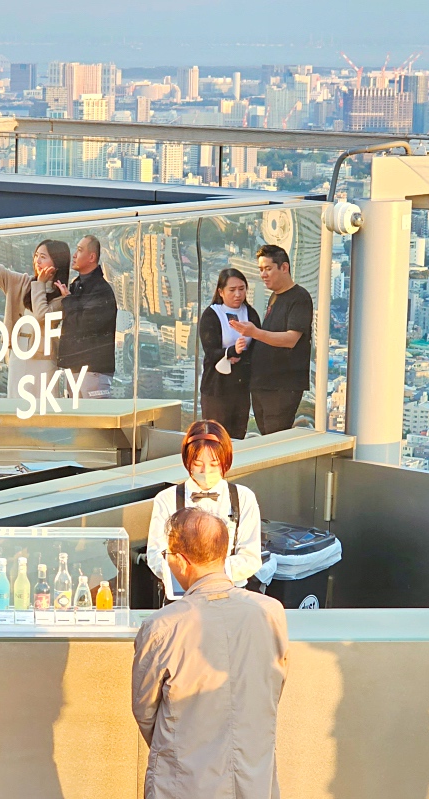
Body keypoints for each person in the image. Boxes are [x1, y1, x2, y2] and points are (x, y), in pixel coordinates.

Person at [133, 507, 289, 799]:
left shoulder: (162, 626)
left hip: (184, 782)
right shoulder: (270, 612)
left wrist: (179, 750)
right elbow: (274, 688)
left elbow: (145, 712)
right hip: (254, 779)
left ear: (181, 561)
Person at [147, 419, 263, 599]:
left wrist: (209, 575)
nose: (205, 470)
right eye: (197, 462)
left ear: (226, 461)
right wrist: (189, 578)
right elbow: (155, 555)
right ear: (187, 460)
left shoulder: (244, 497)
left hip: (232, 595)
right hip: (182, 598)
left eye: (214, 464)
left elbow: (251, 558)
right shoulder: (167, 499)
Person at [0, 239, 69, 395]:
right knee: (17, 403)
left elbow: (41, 316)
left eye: (43, 257)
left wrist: (40, 284)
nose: (37, 261)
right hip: (19, 353)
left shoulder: (62, 296)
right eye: (36, 255)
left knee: (43, 409)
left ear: (57, 262)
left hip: (43, 359)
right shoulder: (22, 282)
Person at [231, 244, 313, 435]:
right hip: (263, 383)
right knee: (265, 437)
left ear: (284, 267)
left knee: (274, 439)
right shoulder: (274, 297)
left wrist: (255, 332)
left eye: (268, 269)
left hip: (282, 386)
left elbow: (291, 339)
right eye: (261, 270)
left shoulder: (299, 298)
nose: (263, 274)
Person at [199, 268, 260, 439]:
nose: (238, 294)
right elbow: (210, 351)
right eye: (232, 290)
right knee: (216, 437)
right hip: (217, 388)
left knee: (238, 435)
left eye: (242, 289)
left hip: (241, 387)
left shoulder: (250, 314)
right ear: (221, 291)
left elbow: (258, 346)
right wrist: (231, 352)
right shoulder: (212, 314)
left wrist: (241, 356)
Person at [56, 235, 118, 399]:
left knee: (97, 423)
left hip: (94, 371)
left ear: (92, 257)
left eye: (80, 250)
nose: (74, 255)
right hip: (75, 368)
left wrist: (68, 300)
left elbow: (85, 325)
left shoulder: (101, 290)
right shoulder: (77, 285)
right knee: (80, 423)